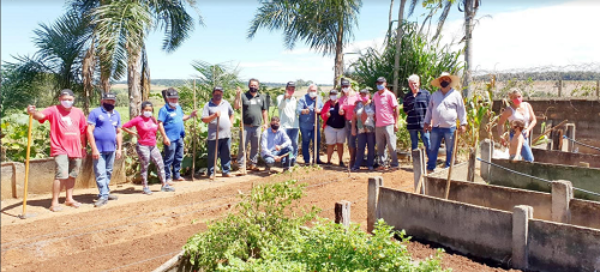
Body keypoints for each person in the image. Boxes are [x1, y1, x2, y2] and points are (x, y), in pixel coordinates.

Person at [26, 89, 87, 212]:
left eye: (70, 99)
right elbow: (40, 116)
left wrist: (83, 147)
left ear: (73, 99)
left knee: (72, 174)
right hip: (60, 148)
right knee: (61, 174)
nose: (67, 101)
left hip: (76, 148)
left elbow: (82, 131)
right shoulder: (53, 110)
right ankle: (54, 202)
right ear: (60, 99)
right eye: (64, 99)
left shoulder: (78, 112)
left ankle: (69, 199)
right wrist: (32, 112)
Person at [122, 101, 175, 194]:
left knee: (160, 164)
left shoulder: (153, 119)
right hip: (142, 146)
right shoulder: (138, 119)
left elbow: (157, 128)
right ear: (142, 110)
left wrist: (163, 137)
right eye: (146, 110)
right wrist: (134, 133)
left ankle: (164, 185)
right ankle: (145, 187)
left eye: (150, 110)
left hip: (153, 145)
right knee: (145, 166)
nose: (148, 111)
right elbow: (124, 126)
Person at [424, 72, 468, 172]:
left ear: (450, 81)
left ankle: (448, 169)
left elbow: (461, 110)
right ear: (439, 82)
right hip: (436, 127)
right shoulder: (434, 95)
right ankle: (431, 168)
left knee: (450, 149)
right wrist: (426, 122)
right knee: (433, 148)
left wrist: (463, 123)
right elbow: (429, 110)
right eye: (442, 79)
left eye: (446, 79)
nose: (444, 81)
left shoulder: (456, 95)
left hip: (450, 127)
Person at [87, 93, 123, 207]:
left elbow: (118, 132)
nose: (110, 103)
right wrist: (94, 149)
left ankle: (105, 192)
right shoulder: (95, 113)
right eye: (108, 101)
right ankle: (103, 196)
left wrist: (119, 148)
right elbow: (89, 131)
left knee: (108, 171)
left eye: (112, 101)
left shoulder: (116, 114)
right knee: (100, 173)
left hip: (111, 149)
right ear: (102, 101)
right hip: (99, 149)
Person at [158, 88, 197, 183]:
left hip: (179, 136)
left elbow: (181, 117)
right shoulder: (163, 110)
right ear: (167, 99)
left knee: (179, 157)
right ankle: (167, 177)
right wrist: (164, 137)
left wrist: (191, 115)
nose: (174, 100)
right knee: (169, 158)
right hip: (170, 138)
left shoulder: (178, 108)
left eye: (175, 98)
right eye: (172, 99)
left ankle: (176, 175)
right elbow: (159, 123)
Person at [234, 78, 269, 171]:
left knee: (255, 146)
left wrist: (266, 123)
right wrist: (237, 96)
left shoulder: (261, 97)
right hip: (245, 126)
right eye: (251, 85)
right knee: (242, 146)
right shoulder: (243, 96)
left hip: (257, 126)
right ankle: (241, 165)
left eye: (255, 85)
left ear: (258, 86)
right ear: (249, 86)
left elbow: (264, 111)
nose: (253, 87)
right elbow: (236, 106)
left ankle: (253, 164)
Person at [201, 86, 235, 179]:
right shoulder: (208, 105)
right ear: (213, 94)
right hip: (214, 135)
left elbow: (232, 113)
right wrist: (214, 115)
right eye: (216, 93)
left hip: (226, 134)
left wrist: (231, 123)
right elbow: (204, 119)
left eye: (220, 93)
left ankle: (226, 171)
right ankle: (211, 173)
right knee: (213, 155)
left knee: (226, 154)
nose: (218, 95)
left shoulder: (226, 103)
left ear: (222, 94)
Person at [497, 88, 536, 162]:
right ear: (511, 98)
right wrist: (500, 135)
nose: (517, 99)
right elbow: (500, 123)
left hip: (525, 133)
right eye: (515, 97)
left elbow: (533, 120)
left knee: (521, 158)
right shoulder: (509, 110)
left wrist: (528, 129)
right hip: (515, 134)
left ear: (522, 96)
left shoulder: (527, 106)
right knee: (528, 158)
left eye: (519, 96)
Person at [372, 77, 400, 170]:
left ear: (385, 84)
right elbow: (373, 107)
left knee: (391, 145)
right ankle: (382, 164)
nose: (379, 85)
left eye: (381, 83)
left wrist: (396, 123)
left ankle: (395, 164)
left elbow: (396, 108)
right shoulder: (375, 95)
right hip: (378, 125)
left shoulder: (390, 95)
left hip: (389, 123)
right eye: (378, 83)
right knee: (380, 146)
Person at [403, 74, 431, 155]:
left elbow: (431, 108)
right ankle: (416, 163)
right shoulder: (407, 97)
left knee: (427, 142)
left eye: (415, 83)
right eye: (411, 84)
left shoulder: (426, 94)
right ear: (409, 85)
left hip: (424, 124)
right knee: (414, 144)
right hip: (412, 124)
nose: (413, 85)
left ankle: (431, 162)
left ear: (419, 83)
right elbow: (405, 109)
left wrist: (430, 122)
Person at [297, 84, 324, 165]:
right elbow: (298, 110)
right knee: (306, 142)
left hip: (315, 125)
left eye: (314, 91)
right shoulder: (303, 99)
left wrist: (319, 111)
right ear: (308, 91)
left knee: (317, 141)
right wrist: (304, 111)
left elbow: (323, 108)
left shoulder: (318, 99)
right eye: (311, 91)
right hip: (305, 125)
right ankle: (306, 160)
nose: (313, 92)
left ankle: (316, 159)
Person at [351, 89, 376, 171]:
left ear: (369, 95)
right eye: (362, 95)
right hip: (361, 129)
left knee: (371, 147)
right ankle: (357, 165)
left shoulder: (373, 104)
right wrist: (353, 128)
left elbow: (376, 116)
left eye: (365, 94)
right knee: (360, 147)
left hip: (371, 129)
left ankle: (370, 164)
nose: (363, 96)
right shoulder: (358, 105)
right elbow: (354, 118)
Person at [338, 78, 360, 168]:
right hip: (347, 121)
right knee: (350, 141)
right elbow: (340, 109)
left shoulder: (357, 96)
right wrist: (341, 111)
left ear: (350, 86)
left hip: (358, 121)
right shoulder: (341, 99)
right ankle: (352, 159)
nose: (345, 88)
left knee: (359, 141)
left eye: (346, 86)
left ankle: (359, 160)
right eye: (343, 86)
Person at [321, 89, 346, 166]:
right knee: (330, 144)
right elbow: (323, 115)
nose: (333, 95)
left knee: (340, 144)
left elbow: (346, 111)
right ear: (329, 95)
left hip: (341, 127)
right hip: (330, 127)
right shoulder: (327, 104)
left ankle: (341, 161)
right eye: (332, 94)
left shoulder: (341, 103)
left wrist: (343, 113)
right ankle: (328, 161)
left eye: (335, 94)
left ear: (337, 94)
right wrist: (326, 115)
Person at [276, 81, 299, 162]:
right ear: (286, 89)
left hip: (294, 125)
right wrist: (284, 98)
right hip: (284, 126)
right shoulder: (280, 97)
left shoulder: (294, 99)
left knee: (294, 144)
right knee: (284, 144)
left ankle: (292, 160)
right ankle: (284, 161)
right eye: (289, 89)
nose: (291, 90)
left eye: (293, 89)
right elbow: (281, 106)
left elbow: (296, 111)